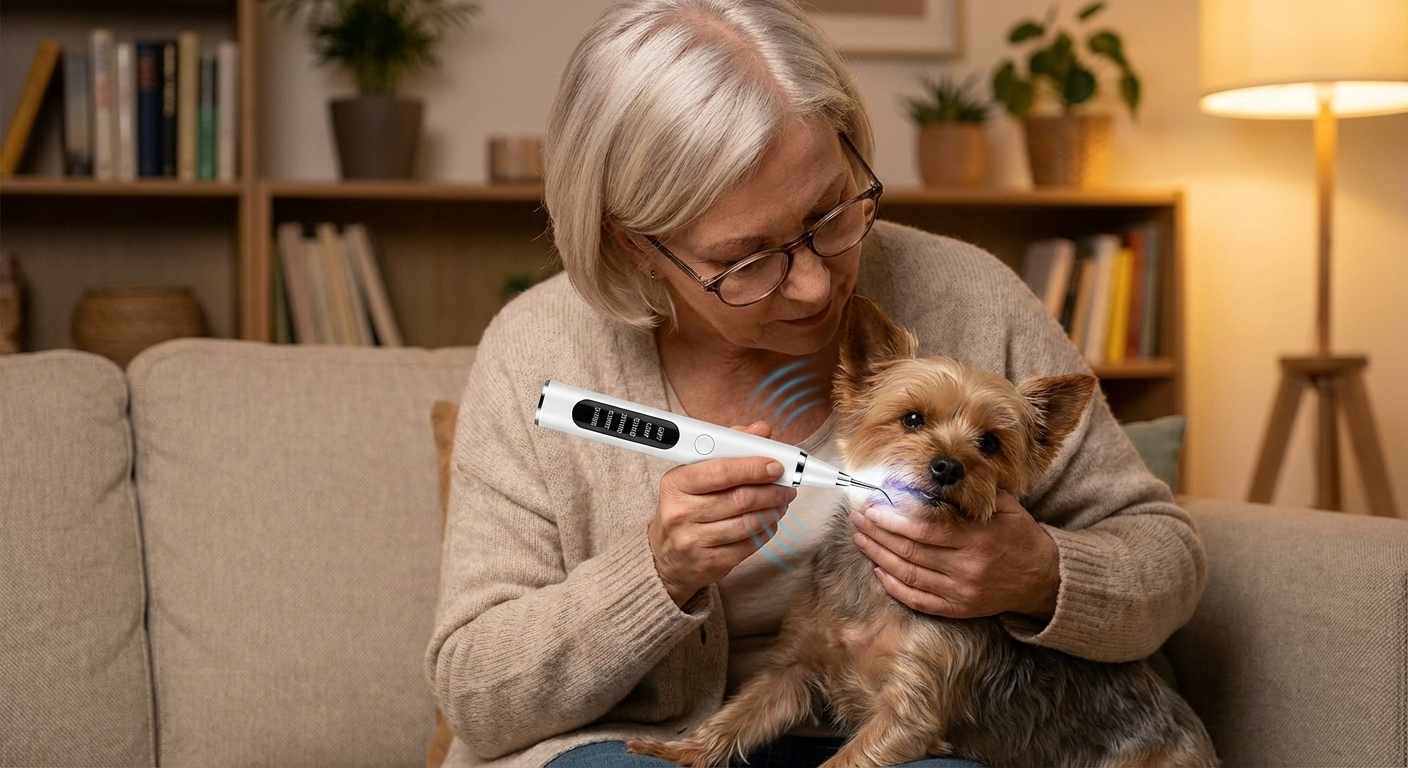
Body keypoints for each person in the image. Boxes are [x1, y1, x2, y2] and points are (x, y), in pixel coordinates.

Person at [425, 1, 1207, 766]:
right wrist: (659, 570)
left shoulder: (969, 296)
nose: (811, 288)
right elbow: (477, 695)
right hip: (641, 742)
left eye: (832, 214)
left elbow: (1164, 559)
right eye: (748, 258)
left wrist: (1039, 575)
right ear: (634, 245)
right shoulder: (538, 352)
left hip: (927, 740)